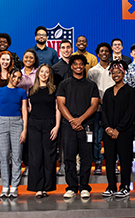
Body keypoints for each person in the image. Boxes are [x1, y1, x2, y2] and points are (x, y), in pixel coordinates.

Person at [57, 55, 99, 199]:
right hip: (68, 127)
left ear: (84, 66)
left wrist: (80, 120)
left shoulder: (91, 85)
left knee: (86, 157)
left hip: (87, 126)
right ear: (71, 66)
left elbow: (94, 105)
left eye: (81, 64)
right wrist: (72, 121)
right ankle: (71, 187)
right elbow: (61, 104)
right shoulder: (64, 84)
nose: (78, 66)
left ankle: (84, 187)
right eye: (75, 64)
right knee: (69, 157)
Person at [101, 60, 135, 198]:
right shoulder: (108, 92)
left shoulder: (129, 91)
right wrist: (108, 128)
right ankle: (111, 186)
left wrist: (118, 129)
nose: (116, 74)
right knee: (109, 160)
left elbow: (130, 112)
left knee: (125, 160)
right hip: (108, 132)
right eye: (113, 72)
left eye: (118, 72)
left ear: (123, 73)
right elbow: (103, 112)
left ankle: (125, 186)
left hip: (124, 133)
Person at [0, 68, 28, 198]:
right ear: (9, 76)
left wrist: (24, 129)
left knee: (17, 156)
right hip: (1, 123)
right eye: (14, 77)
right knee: (4, 156)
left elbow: (24, 111)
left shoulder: (22, 92)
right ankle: (5, 186)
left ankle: (14, 187)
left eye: (19, 78)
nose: (16, 80)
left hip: (17, 123)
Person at [27, 64, 60, 198]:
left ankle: (47, 187)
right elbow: (29, 108)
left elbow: (58, 109)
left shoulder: (54, 89)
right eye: (42, 72)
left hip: (50, 124)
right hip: (34, 125)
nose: (44, 74)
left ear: (49, 75)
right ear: (38, 73)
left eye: (47, 72)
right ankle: (37, 188)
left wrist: (57, 126)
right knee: (35, 156)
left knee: (49, 156)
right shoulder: (31, 89)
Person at [87, 42, 115, 175]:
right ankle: (97, 163)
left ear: (110, 53)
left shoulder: (115, 69)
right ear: (97, 54)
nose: (104, 53)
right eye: (101, 51)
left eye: (106, 51)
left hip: (112, 110)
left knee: (113, 137)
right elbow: (90, 91)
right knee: (96, 139)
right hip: (97, 109)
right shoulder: (92, 71)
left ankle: (114, 163)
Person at [52, 39, 73, 176]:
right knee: (62, 138)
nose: (66, 50)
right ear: (60, 50)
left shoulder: (77, 65)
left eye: (68, 47)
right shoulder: (55, 68)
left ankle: (75, 163)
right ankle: (62, 164)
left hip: (76, 106)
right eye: (63, 47)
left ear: (71, 49)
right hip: (60, 107)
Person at [17, 49, 39, 177]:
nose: (29, 59)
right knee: (20, 139)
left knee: (31, 139)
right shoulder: (18, 73)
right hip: (19, 110)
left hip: (33, 109)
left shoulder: (38, 73)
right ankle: (19, 165)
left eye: (31, 57)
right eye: (26, 57)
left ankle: (30, 165)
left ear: (35, 59)